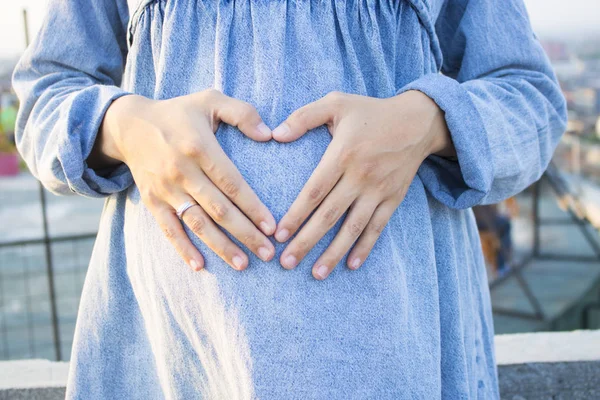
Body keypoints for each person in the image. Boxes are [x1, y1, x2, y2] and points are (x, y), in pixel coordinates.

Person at [12, 0, 567, 398]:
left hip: (403, 349)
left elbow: (531, 102)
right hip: (175, 354)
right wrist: (126, 126)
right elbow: (45, 100)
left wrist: (428, 120)